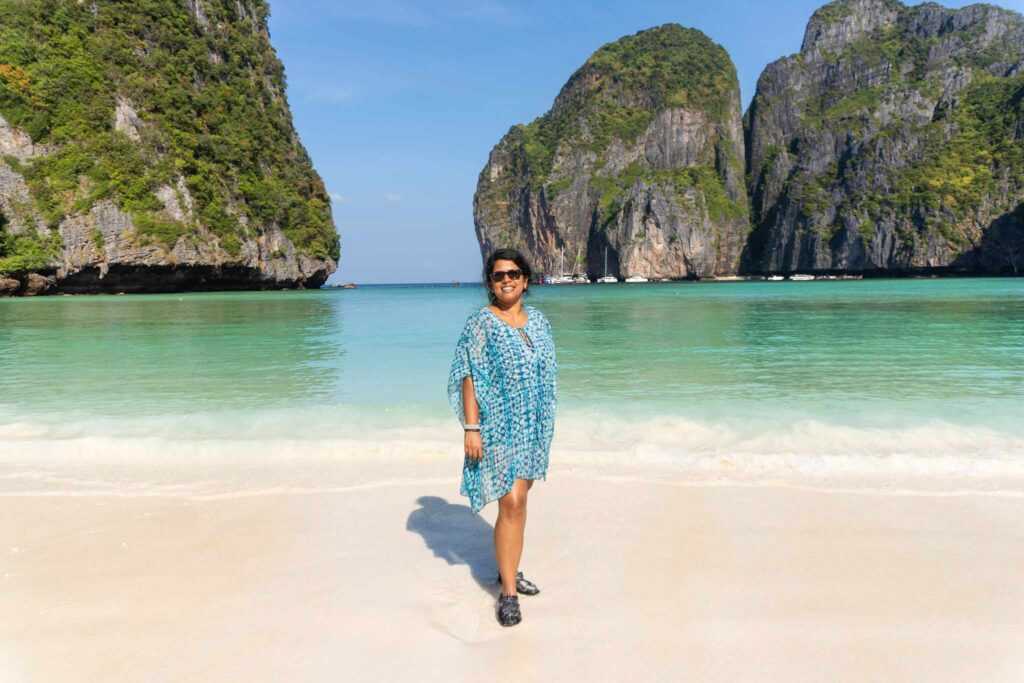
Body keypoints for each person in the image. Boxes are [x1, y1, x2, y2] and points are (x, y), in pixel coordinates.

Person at [447, 247, 558, 627]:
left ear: (526, 280)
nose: (506, 279)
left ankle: (507, 568)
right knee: (510, 503)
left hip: (534, 425)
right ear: (490, 284)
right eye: (498, 275)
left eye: (513, 273)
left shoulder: (539, 322)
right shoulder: (482, 322)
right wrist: (472, 427)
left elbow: (548, 376)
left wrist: (545, 422)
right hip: (496, 426)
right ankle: (508, 593)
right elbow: (468, 374)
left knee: (520, 501)